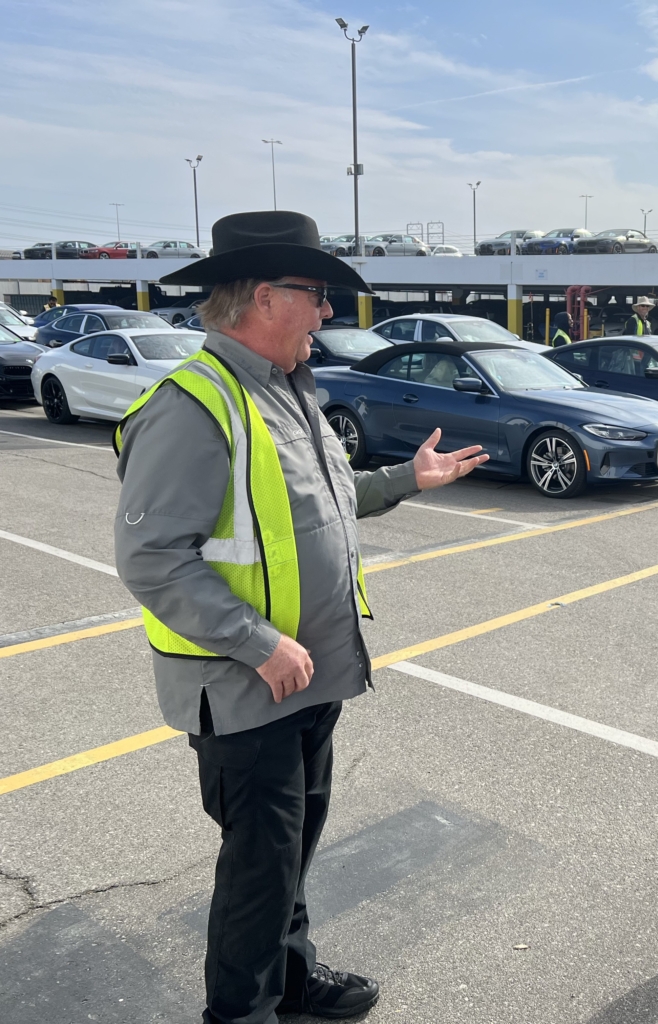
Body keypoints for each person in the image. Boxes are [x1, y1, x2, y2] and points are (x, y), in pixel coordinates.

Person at [113, 210, 488, 1024]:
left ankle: (290, 982)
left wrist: (403, 481)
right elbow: (151, 559)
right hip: (246, 687)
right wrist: (257, 643)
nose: (327, 313)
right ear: (262, 297)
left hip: (307, 675)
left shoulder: (289, 391)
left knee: (288, 856)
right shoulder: (191, 406)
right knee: (258, 869)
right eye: (315, 295)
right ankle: (239, 1013)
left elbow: (321, 502)